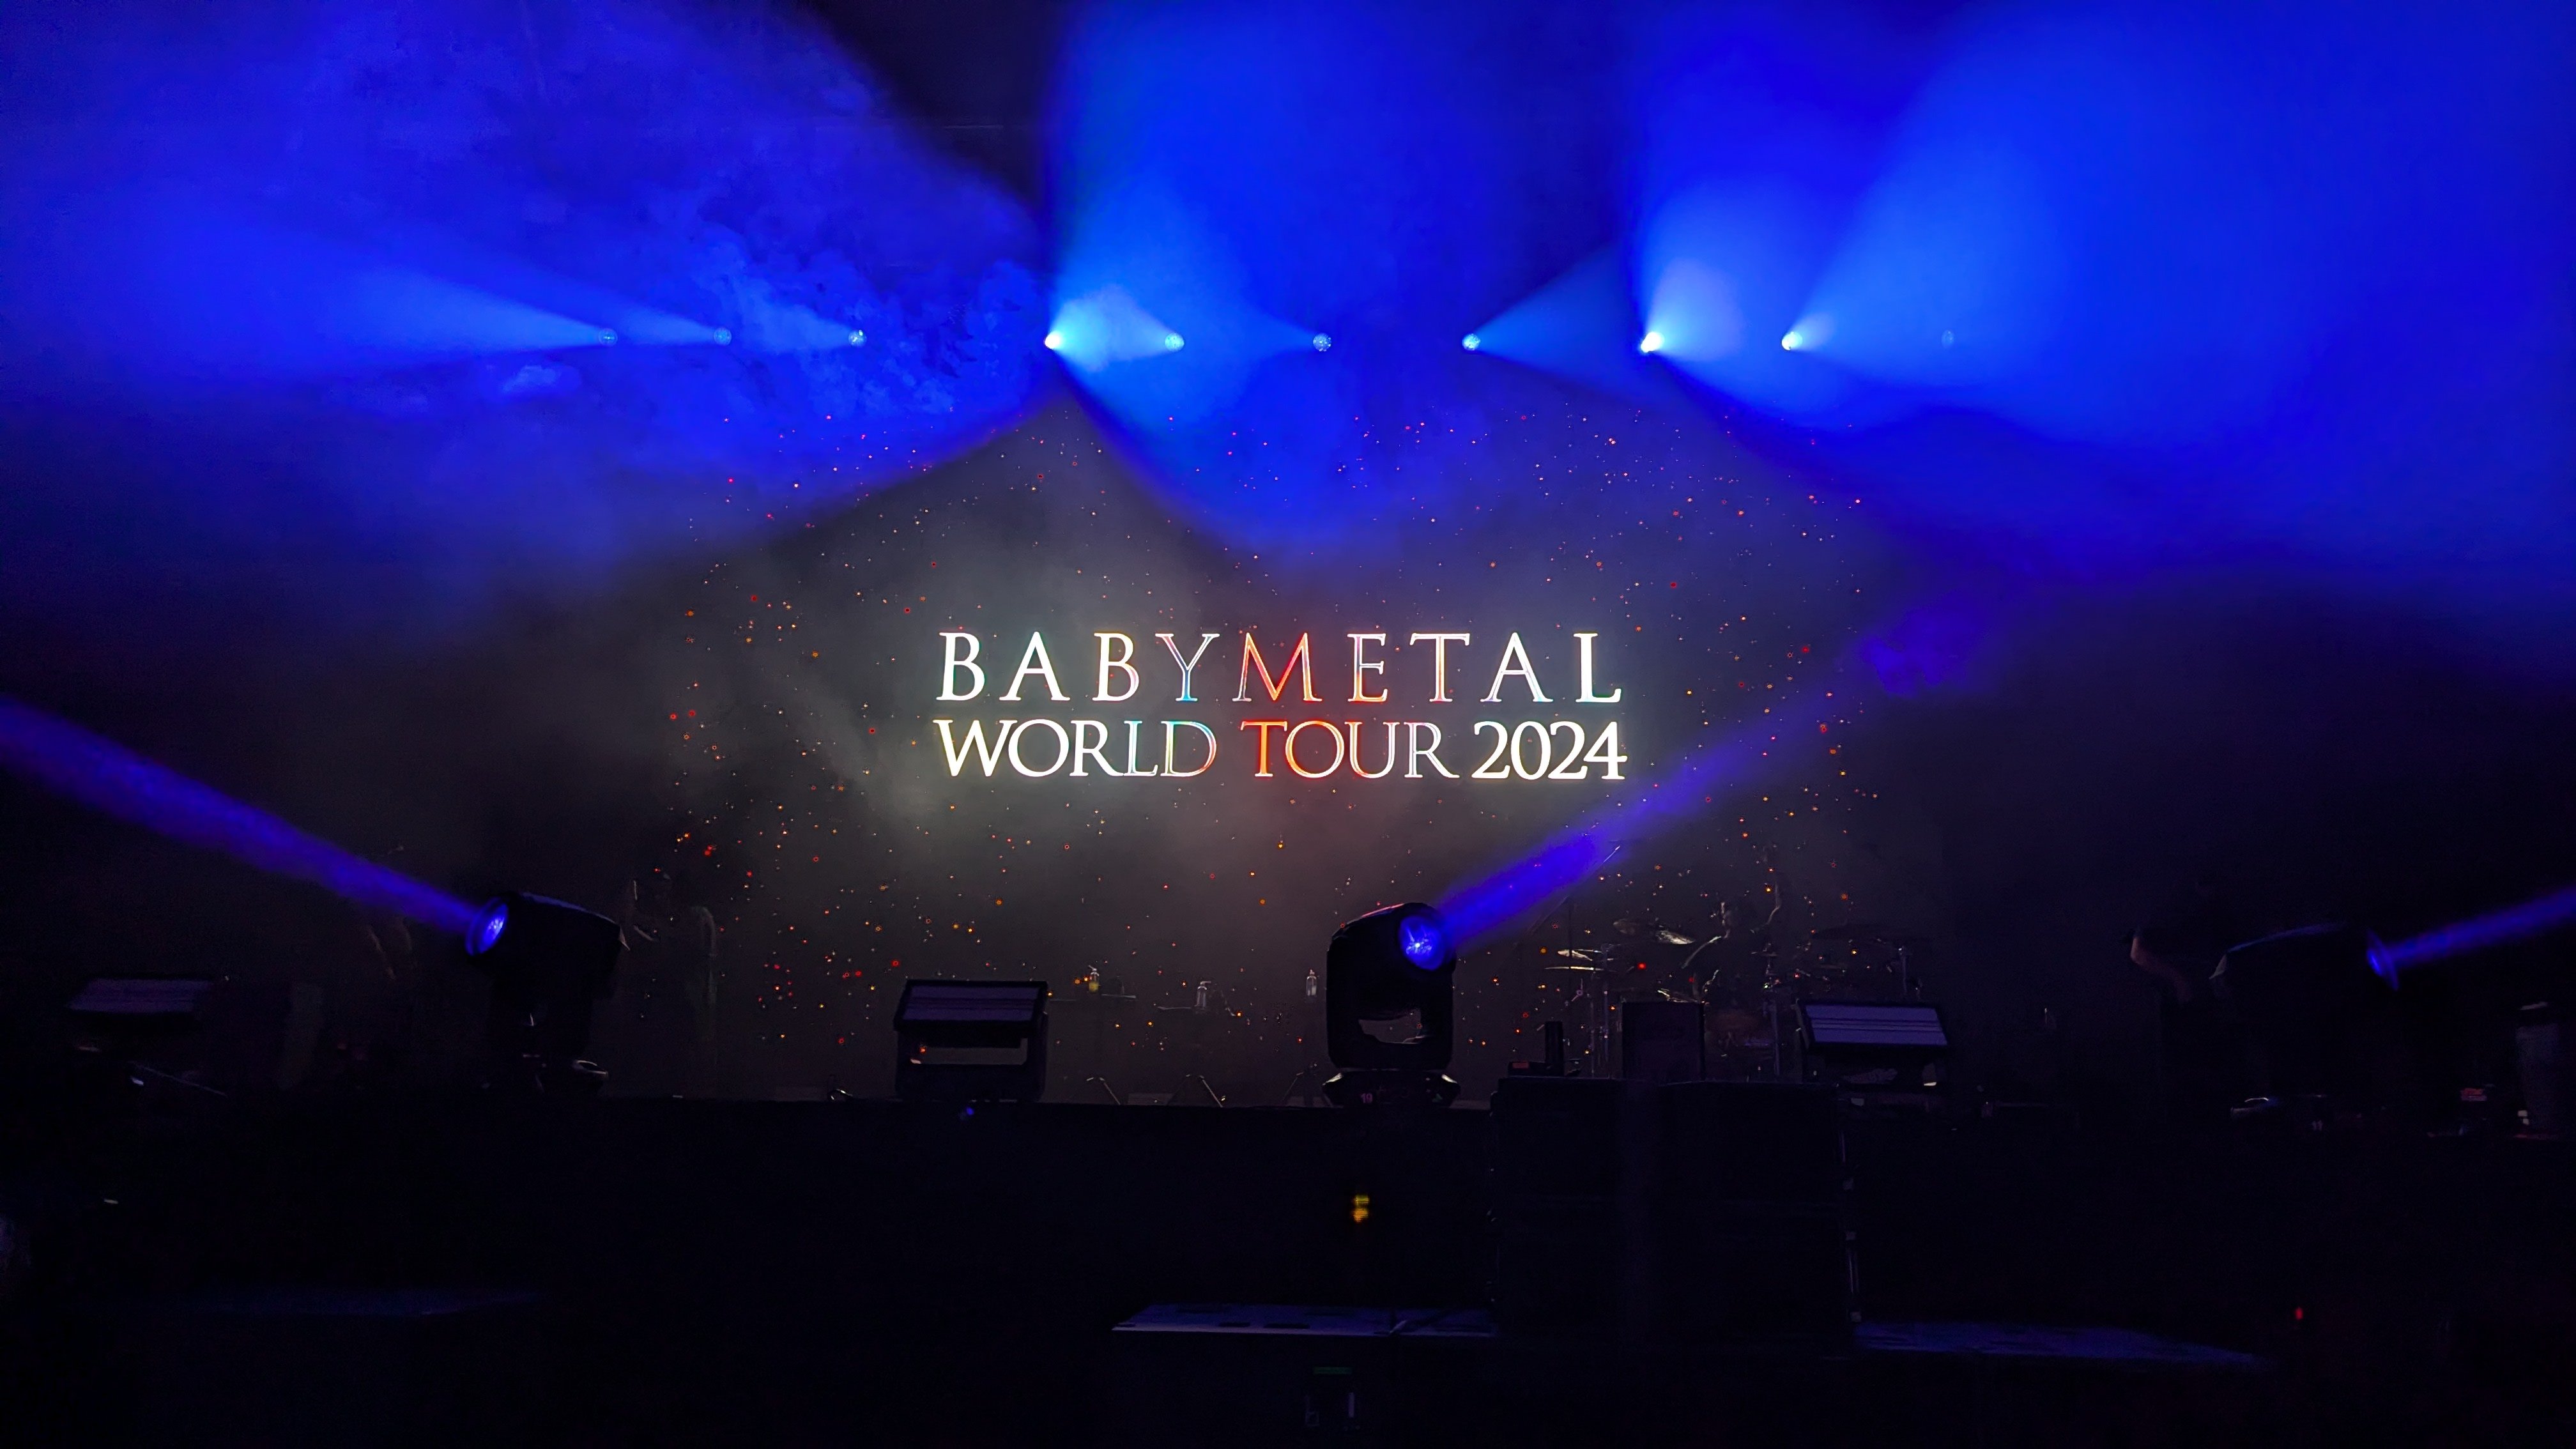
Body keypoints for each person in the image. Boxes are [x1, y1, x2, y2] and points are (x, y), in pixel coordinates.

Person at [2130, 873, 2251, 1124]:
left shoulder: (2221, 911)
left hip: (2215, 1007)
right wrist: (2179, 981)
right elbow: (2138, 953)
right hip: (2180, 1013)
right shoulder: (2170, 906)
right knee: (2188, 1085)